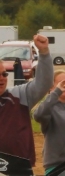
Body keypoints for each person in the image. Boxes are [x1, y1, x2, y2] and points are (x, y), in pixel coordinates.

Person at [0, 34, 53, 167]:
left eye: (4, 74)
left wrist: (44, 52)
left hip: (19, 166)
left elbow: (44, 83)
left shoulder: (19, 94)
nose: (2, 78)